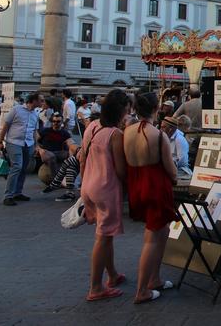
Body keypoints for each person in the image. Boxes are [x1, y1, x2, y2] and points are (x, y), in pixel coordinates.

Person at [124, 91, 177, 304]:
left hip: (136, 183)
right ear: (156, 109)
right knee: (152, 237)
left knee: (161, 231)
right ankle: (141, 290)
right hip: (155, 185)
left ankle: (154, 278)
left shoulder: (126, 132)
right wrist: (174, 179)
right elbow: (170, 169)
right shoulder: (158, 135)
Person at [79, 89, 130, 302]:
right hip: (106, 187)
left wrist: (83, 181)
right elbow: (120, 169)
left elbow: (82, 157)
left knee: (105, 235)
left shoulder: (91, 126)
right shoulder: (115, 134)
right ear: (121, 110)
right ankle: (96, 287)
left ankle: (113, 274)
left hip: (89, 184)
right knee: (103, 238)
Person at [0, 93, 43, 206]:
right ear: (34, 101)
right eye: (40, 100)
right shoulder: (16, 110)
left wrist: (36, 145)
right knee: (17, 166)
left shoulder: (35, 114)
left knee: (24, 168)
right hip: (14, 142)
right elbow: (6, 125)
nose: (42, 103)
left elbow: (34, 131)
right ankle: (8, 196)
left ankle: (17, 192)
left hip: (28, 144)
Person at [36, 111, 77, 180]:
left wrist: (73, 153)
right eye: (54, 121)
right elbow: (35, 140)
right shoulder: (46, 131)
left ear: (61, 122)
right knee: (52, 157)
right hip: (47, 152)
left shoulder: (64, 133)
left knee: (74, 156)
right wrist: (39, 149)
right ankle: (56, 180)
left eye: (58, 121)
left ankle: (70, 178)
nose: (55, 123)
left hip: (59, 152)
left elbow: (70, 143)